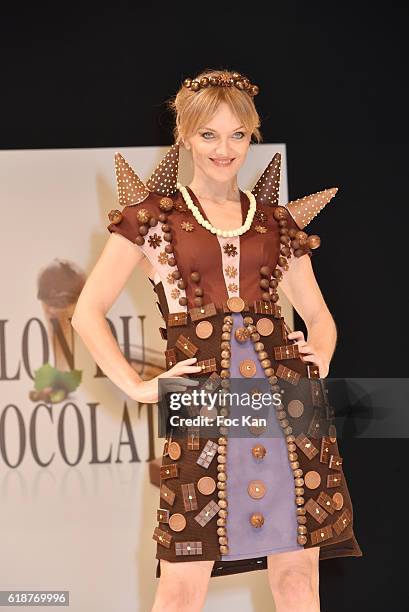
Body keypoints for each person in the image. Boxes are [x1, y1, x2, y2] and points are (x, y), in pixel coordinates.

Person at [72, 68, 362, 612]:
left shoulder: (277, 223)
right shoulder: (152, 218)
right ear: (184, 135)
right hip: (203, 406)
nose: (223, 149)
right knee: (181, 589)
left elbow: (320, 318)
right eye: (208, 134)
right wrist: (138, 388)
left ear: (251, 137)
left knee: (297, 582)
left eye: (237, 135)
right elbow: (87, 312)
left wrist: (317, 357)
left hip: (290, 411)